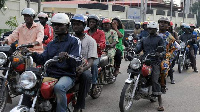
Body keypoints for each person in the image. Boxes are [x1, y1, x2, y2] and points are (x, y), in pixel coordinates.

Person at [21, 13, 82, 112]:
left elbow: (78, 60)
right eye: (54, 25)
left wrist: (68, 57)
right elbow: (42, 58)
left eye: (59, 25)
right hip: (50, 73)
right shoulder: (51, 44)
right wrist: (31, 53)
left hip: (67, 74)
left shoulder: (74, 41)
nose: (56, 27)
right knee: (31, 86)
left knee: (59, 88)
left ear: (67, 26)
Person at [134, 21, 165, 111]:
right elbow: (138, 47)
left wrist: (160, 53)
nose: (151, 30)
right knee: (133, 68)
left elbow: (163, 49)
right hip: (144, 59)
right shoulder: (144, 39)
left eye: (153, 29)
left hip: (155, 61)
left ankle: (160, 103)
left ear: (156, 29)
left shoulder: (159, 38)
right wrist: (133, 50)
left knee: (155, 80)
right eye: (149, 28)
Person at [70, 14, 98, 112]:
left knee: (86, 76)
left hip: (83, 67)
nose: (75, 26)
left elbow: (91, 60)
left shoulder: (91, 41)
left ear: (84, 25)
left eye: (78, 24)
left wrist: (83, 68)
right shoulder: (69, 38)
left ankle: (79, 105)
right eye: (73, 24)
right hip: (68, 67)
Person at [85, 14, 106, 89]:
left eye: (93, 22)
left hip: (96, 55)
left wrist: (97, 45)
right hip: (85, 55)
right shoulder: (85, 33)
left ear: (97, 24)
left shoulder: (101, 33)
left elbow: (103, 44)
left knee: (93, 65)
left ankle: (94, 83)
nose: (91, 23)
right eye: (90, 22)